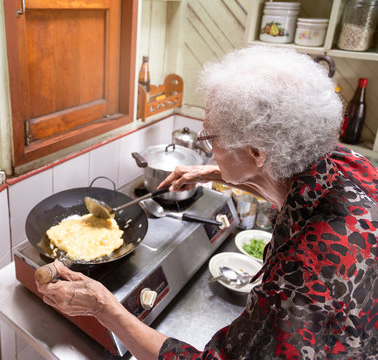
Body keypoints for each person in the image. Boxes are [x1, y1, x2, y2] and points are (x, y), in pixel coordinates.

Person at [36, 46, 378, 359]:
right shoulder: (341, 163)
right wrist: (212, 172)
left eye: (209, 136)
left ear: (257, 153)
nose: (204, 143)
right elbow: (284, 179)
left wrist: (103, 308)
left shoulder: (304, 275)